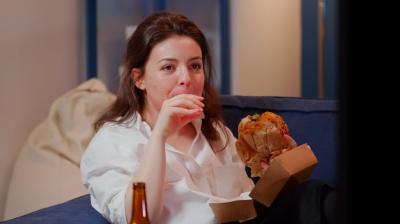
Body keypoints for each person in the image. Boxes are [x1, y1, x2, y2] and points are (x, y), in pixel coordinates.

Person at [80, 12, 336, 224]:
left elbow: (247, 202)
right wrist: (159, 135)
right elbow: (136, 216)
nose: (186, 79)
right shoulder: (112, 142)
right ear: (139, 79)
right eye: (168, 67)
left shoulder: (214, 129)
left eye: (194, 66)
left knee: (312, 195)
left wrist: (277, 172)